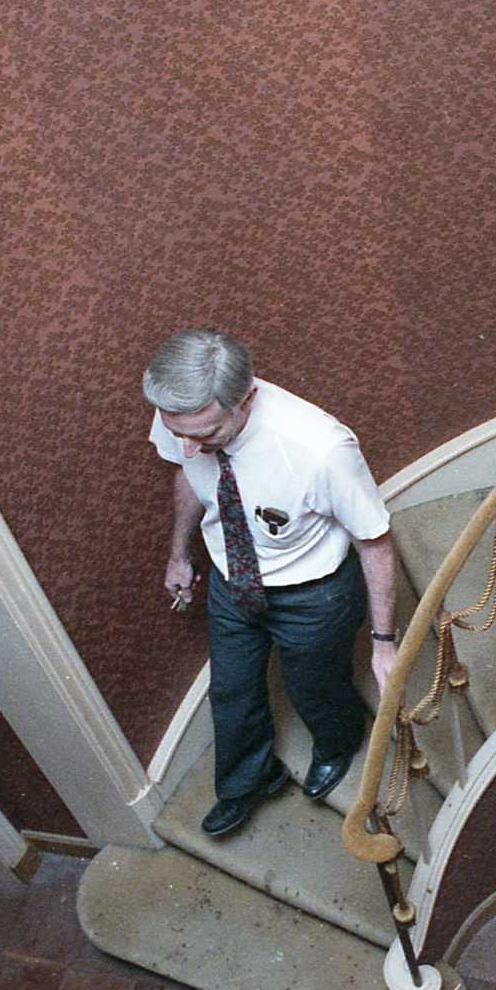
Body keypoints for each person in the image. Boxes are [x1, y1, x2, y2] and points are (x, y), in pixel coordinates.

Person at [144, 328, 400, 837]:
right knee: (231, 689)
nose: (189, 445)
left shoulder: (320, 449)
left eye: (207, 434)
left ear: (247, 399)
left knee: (315, 688)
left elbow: (376, 542)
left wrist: (383, 643)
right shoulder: (184, 417)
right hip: (231, 577)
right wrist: (179, 554)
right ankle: (249, 779)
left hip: (314, 592)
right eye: (180, 433)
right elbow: (186, 474)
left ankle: (335, 746)